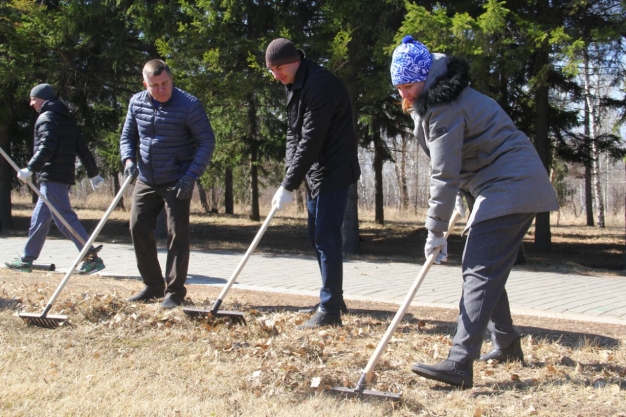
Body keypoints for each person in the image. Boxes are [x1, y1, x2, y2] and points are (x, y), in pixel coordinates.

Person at [390, 36, 558, 388]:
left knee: (478, 269)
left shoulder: (444, 108)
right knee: (487, 268)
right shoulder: (435, 97)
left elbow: (444, 174)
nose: (403, 95)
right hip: (497, 185)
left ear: (425, 77)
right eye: (398, 87)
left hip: (512, 185)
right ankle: (507, 344)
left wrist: (434, 231)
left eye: (407, 86)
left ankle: (459, 362)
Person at [264, 38, 361, 329]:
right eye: (271, 70)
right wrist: (288, 179)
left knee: (326, 237)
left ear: (295, 60)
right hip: (316, 172)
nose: (275, 75)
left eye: (278, 67)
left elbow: (311, 139)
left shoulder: (320, 84)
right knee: (315, 236)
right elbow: (293, 136)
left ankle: (329, 310)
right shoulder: (294, 84)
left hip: (335, 169)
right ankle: (333, 299)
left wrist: (289, 185)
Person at [120, 59, 215, 309]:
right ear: (145, 84)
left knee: (177, 235)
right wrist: (128, 159)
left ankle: (174, 293)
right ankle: (153, 286)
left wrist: (190, 176)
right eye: (155, 85)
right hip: (146, 177)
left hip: (178, 178)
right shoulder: (136, 102)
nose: (161, 89)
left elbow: (207, 142)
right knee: (137, 227)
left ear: (171, 79)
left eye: (165, 83)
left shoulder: (189, 105)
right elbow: (127, 137)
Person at [5, 83, 106, 274]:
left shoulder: (47, 117)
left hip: (52, 176)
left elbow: (47, 146)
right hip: (60, 175)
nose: (30, 103)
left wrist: (30, 168)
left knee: (63, 219)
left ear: (42, 98)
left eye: (33, 99)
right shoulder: (66, 118)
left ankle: (91, 257)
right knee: (39, 219)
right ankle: (27, 259)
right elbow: (81, 148)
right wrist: (93, 173)